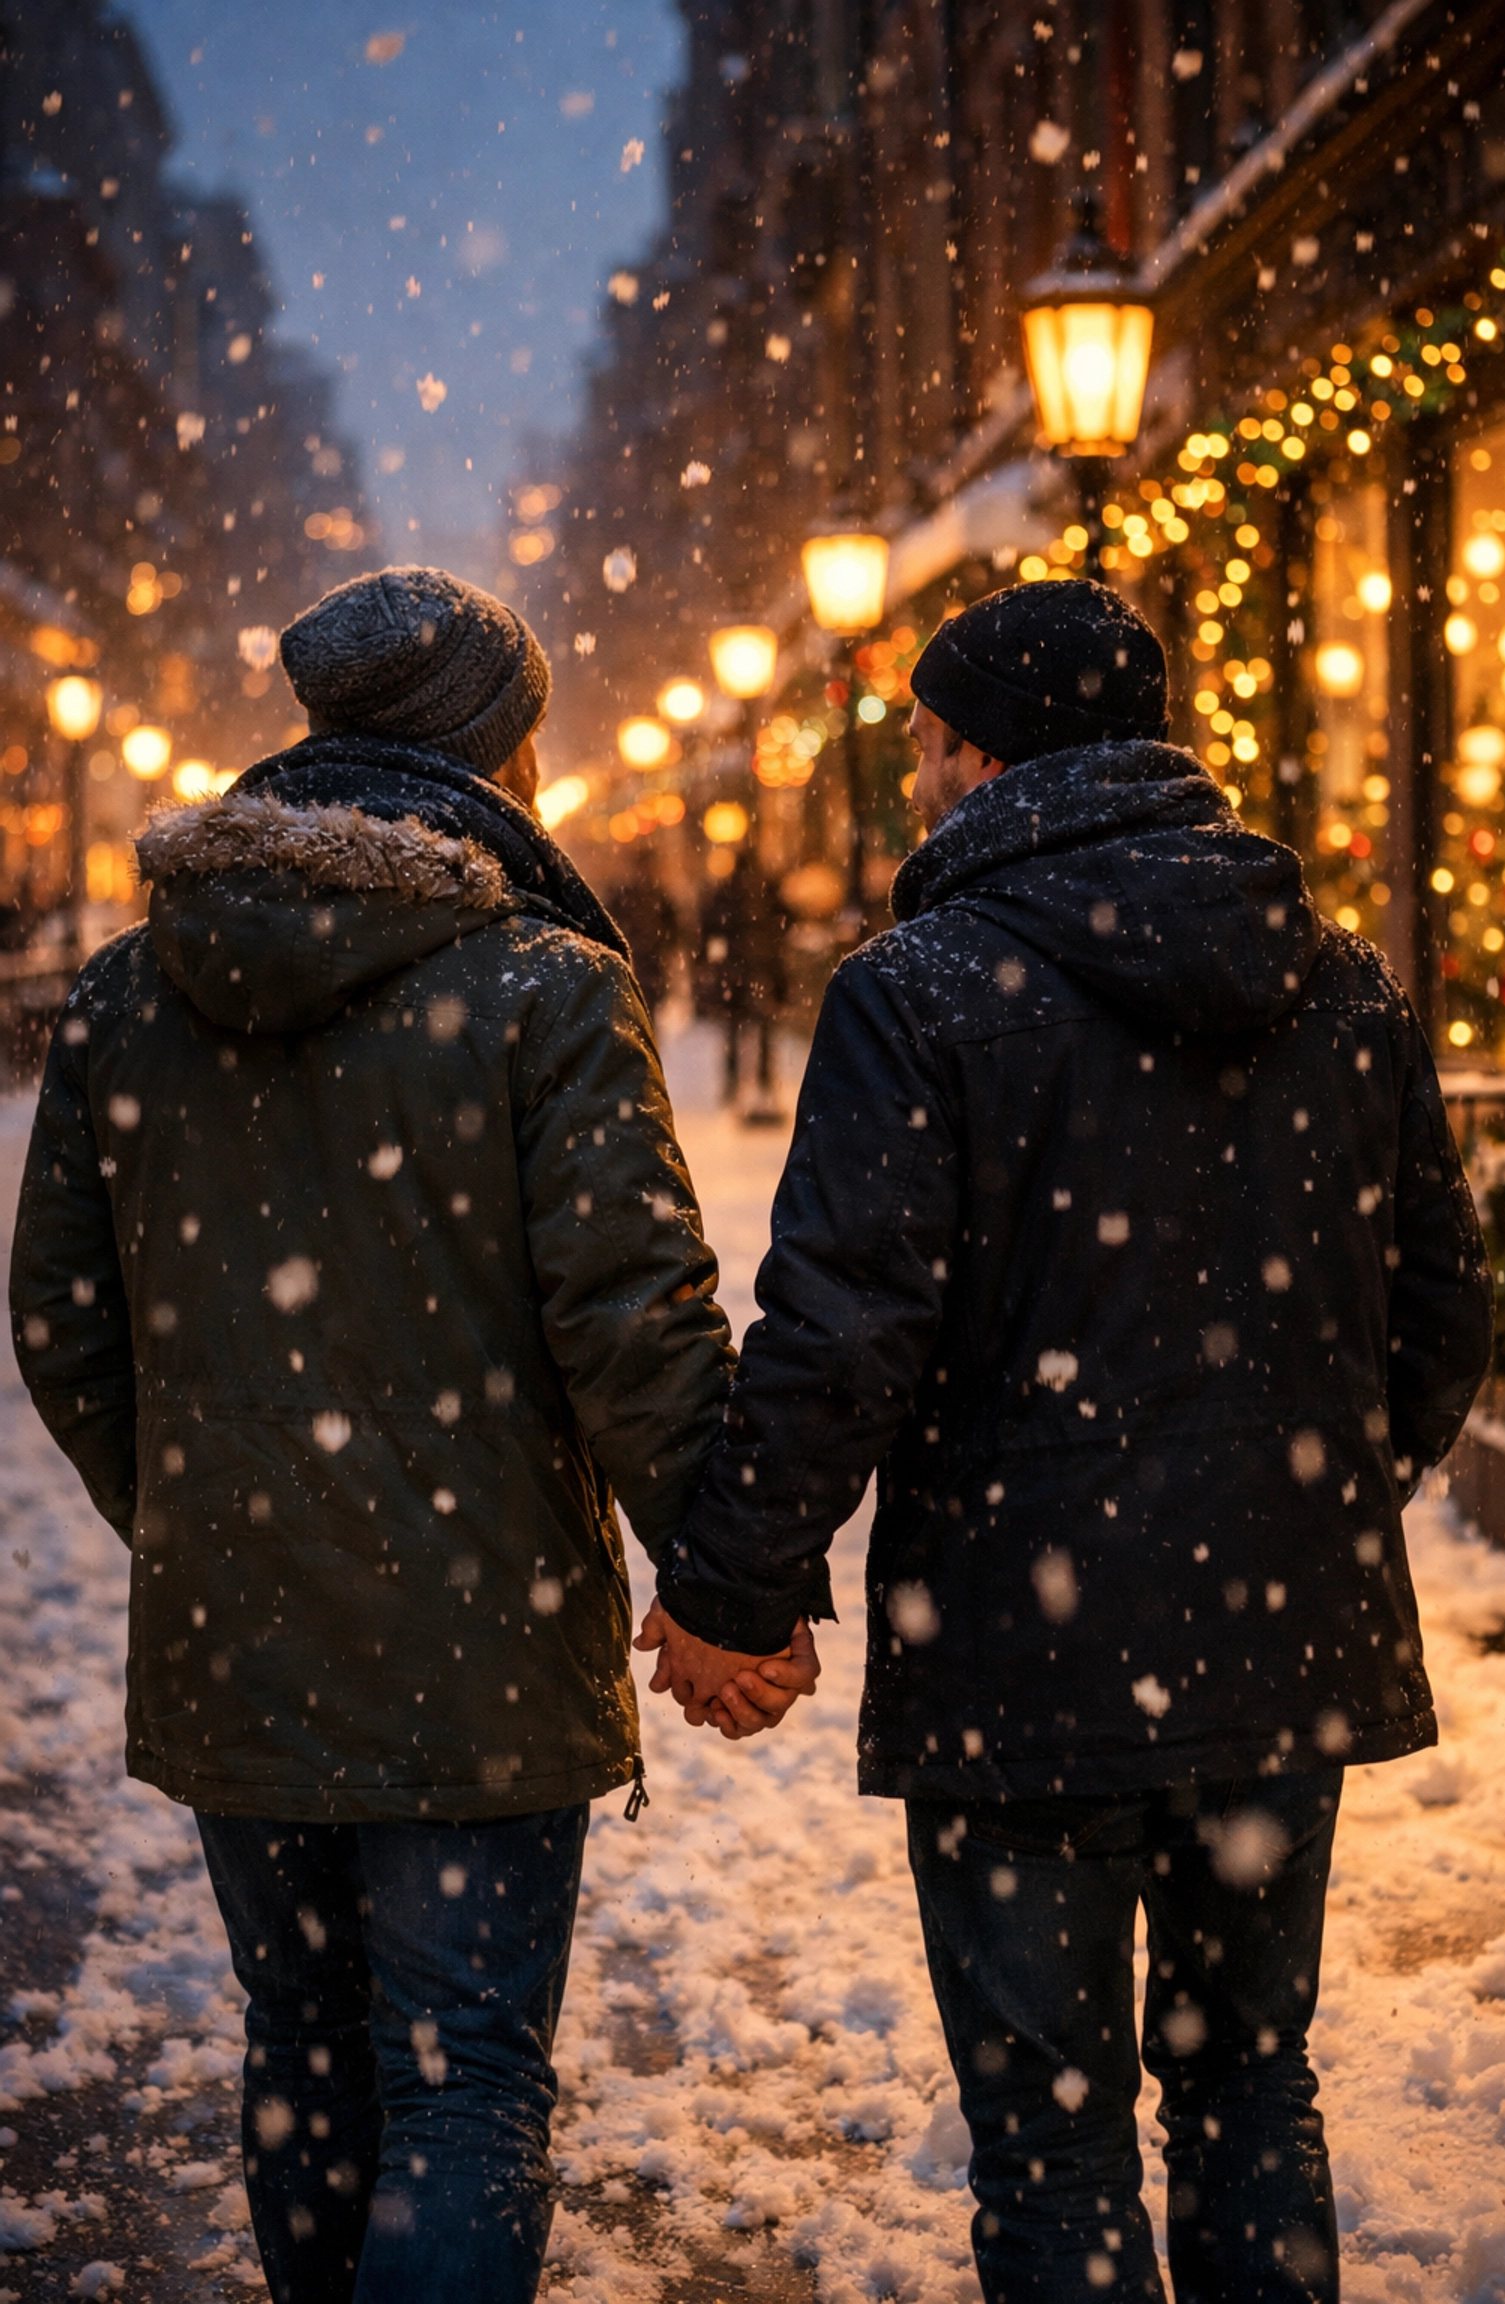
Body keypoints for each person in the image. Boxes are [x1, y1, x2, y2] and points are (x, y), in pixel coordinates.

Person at [639, 579, 1492, 2303]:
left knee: (1050, 2134)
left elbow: (840, 1324)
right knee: (1252, 2079)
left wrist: (735, 1583)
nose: (912, 778)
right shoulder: (1331, 977)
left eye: (921, 743)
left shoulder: (918, 989)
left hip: (1021, 1660)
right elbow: (1437, 1313)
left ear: (978, 747)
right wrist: (1298, 1495)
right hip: (1272, 1630)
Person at [9, 566, 816, 2304]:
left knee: (302, 2046)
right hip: (481, 1635)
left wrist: (202, 1506)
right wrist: (727, 1582)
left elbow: (64, 1321)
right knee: (461, 2078)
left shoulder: (134, 991)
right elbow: (636, 1320)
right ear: (506, 750)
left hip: (241, 1627)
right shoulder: (544, 988)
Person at [692, 844, 788, 1119]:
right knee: (764, 1027)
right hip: (762, 967)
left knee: (734, 1027)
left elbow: (708, 925)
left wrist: (706, 958)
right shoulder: (765, 888)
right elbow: (784, 921)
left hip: (736, 970)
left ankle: (733, 1082)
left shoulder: (726, 890)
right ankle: (763, 1082)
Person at [606, 840, 681, 1017]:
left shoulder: (625, 895)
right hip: (645, 962)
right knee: (646, 1012)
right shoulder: (657, 896)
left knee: (634, 1012)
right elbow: (673, 930)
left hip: (637, 962)